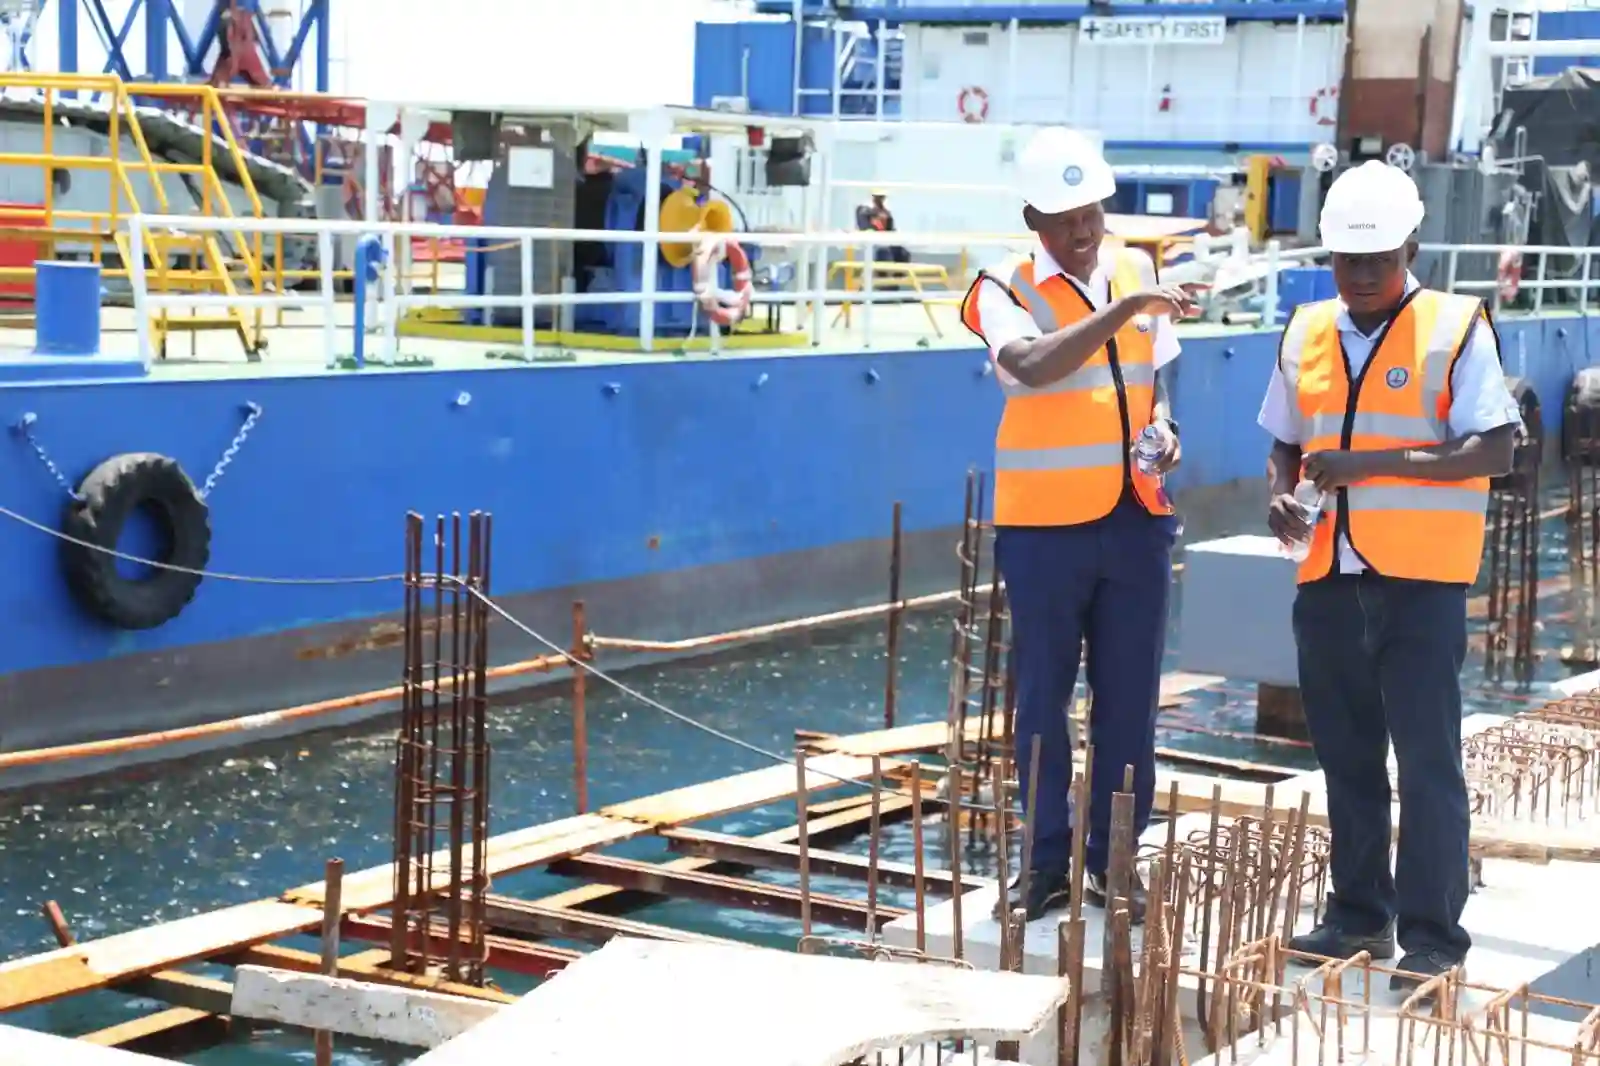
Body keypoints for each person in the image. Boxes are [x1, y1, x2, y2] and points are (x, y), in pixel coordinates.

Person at [1258, 160, 1519, 988]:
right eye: (1346, 260)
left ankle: (1435, 934)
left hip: (1421, 584)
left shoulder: (1453, 326)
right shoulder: (1304, 330)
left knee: (1429, 762)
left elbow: (1496, 447)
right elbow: (1286, 444)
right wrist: (1279, 497)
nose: (1362, 275)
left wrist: (1364, 465)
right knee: (1346, 756)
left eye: (1377, 259)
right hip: (1328, 577)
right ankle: (1357, 914)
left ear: (1411, 246)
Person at [958, 126, 1202, 923]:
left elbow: (1157, 374)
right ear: (1033, 219)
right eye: (1065, 216)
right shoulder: (1000, 287)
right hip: (1043, 530)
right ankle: (1045, 864)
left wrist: (1165, 426)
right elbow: (1028, 364)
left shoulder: (1137, 268)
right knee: (1041, 702)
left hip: (1137, 520)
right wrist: (1123, 309)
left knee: (1129, 701)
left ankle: (1113, 862)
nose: (1086, 228)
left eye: (1093, 209)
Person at [855, 189, 909, 263]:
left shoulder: (886, 212)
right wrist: (876, 215)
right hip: (871, 244)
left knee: (903, 253)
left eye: (882, 197)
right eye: (878, 197)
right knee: (884, 254)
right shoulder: (864, 211)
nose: (880, 200)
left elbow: (890, 229)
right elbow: (864, 228)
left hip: (885, 242)